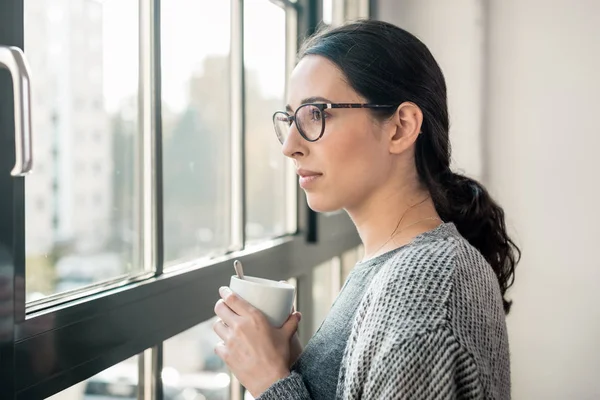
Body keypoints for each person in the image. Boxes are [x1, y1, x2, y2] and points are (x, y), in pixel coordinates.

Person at [213, 19, 520, 400]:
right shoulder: (394, 265)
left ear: (400, 128)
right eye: (291, 119)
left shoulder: (420, 284)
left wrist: (271, 383)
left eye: (316, 114)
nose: (289, 145)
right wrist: (291, 367)